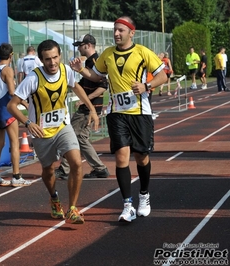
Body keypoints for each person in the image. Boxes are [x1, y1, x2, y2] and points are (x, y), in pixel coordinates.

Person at [70, 16, 167, 222]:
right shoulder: (107, 54)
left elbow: (163, 75)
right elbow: (96, 76)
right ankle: (127, 205)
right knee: (122, 158)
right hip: (116, 113)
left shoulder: (142, 52)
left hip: (140, 113)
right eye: (115, 30)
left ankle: (144, 195)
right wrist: (81, 70)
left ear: (132, 32)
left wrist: (146, 86)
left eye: (121, 30)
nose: (116, 33)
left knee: (141, 156)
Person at [7, 39, 100, 224]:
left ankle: (72, 208)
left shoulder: (66, 70)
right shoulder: (33, 78)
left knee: (76, 163)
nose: (52, 62)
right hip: (42, 132)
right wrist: (28, 122)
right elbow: (12, 105)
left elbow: (77, 87)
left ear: (60, 56)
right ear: (41, 60)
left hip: (63, 127)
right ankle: (54, 198)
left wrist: (92, 109)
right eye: (48, 59)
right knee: (48, 170)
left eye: (55, 57)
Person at [54, 34, 109, 180]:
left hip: (90, 108)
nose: (78, 48)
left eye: (80, 45)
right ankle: (99, 168)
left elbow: (104, 86)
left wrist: (86, 101)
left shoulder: (95, 62)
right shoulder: (89, 62)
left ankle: (66, 169)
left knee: (71, 136)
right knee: (80, 138)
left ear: (88, 45)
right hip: (90, 108)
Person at [0, 43, 32, 187]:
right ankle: (16, 176)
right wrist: (25, 103)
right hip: (7, 111)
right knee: (14, 142)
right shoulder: (8, 70)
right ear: (11, 55)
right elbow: (11, 92)